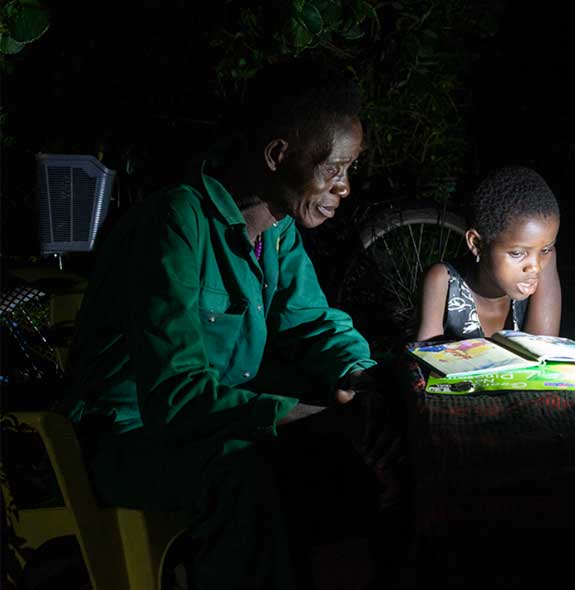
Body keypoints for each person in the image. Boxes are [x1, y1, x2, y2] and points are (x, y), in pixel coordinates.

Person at [66, 58, 403, 589]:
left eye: (348, 171)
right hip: (129, 439)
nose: (344, 187)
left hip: (206, 423)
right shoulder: (175, 222)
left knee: (355, 452)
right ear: (277, 155)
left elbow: (312, 322)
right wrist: (306, 413)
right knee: (246, 473)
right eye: (334, 169)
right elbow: (176, 397)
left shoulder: (277, 229)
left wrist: (365, 378)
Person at [415, 165, 562, 341]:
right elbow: (426, 360)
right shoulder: (443, 281)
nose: (535, 267)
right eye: (517, 253)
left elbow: (542, 347)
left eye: (545, 250)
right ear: (477, 243)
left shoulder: (542, 264)